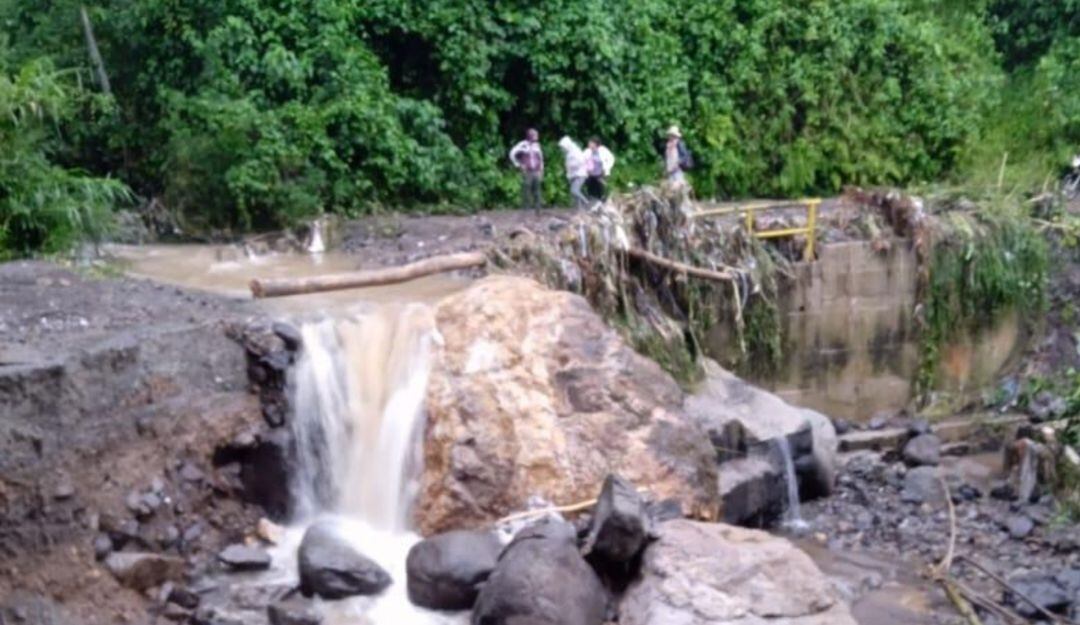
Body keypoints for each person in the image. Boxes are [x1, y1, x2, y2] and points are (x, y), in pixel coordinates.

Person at [509, 128, 544, 212]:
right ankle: (526, 209)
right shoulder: (522, 145)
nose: (537, 137)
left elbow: (541, 158)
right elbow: (512, 153)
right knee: (526, 190)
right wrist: (518, 165)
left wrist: (541, 170)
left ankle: (538, 209)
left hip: (536, 170)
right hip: (527, 171)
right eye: (535, 135)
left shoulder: (537, 146)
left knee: (537, 191)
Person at [557, 136, 589, 209]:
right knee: (575, 194)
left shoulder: (575, 151)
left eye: (563, 147)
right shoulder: (568, 153)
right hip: (573, 175)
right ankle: (580, 210)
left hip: (580, 174)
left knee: (574, 191)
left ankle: (586, 202)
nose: (562, 149)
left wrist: (571, 166)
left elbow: (581, 161)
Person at [583, 137, 615, 201]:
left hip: (601, 172)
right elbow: (582, 160)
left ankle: (601, 199)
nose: (589, 144)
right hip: (590, 173)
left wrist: (607, 167)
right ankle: (592, 199)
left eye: (591, 143)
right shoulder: (587, 151)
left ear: (595, 144)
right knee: (590, 186)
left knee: (600, 187)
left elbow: (611, 158)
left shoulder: (603, 150)